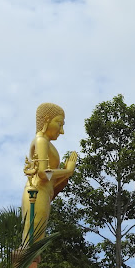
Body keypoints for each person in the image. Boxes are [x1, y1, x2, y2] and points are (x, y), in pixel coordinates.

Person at [22, 102, 77, 241]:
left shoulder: (45, 142)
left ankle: (32, 261)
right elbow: (42, 173)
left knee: (37, 240)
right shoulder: (41, 141)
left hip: (44, 193)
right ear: (47, 119)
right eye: (59, 123)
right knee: (31, 240)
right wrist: (68, 171)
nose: (62, 130)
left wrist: (64, 175)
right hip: (36, 193)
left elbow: (49, 178)